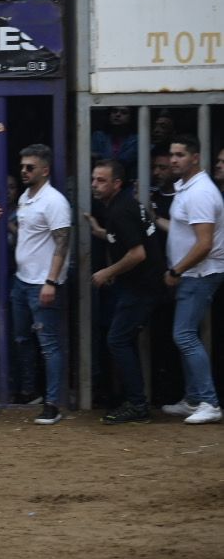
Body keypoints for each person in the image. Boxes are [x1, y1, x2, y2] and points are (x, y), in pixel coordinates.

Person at [86, 160, 165, 424]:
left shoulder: (121, 211)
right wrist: (99, 232)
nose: (94, 185)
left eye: (101, 181)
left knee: (117, 340)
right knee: (122, 339)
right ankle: (133, 399)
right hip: (141, 285)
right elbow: (122, 237)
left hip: (142, 287)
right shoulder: (125, 206)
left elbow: (137, 253)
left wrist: (108, 272)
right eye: (94, 179)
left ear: (117, 183)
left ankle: (137, 404)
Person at [161, 135, 224, 423]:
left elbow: (203, 243)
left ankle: (209, 402)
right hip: (192, 273)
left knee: (184, 335)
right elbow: (182, 229)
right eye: (172, 154)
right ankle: (194, 398)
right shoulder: (187, 188)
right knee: (187, 335)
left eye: (181, 155)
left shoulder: (199, 193)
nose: (174, 159)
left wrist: (176, 271)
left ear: (195, 157)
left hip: (199, 273)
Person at [11, 143, 73, 425]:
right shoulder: (26, 197)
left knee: (48, 345)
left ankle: (52, 403)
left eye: (30, 167)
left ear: (45, 170)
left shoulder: (54, 201)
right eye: (22, 166)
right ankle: (32, 393)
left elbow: (63, 242)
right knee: (24, 338)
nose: (24, 171)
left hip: (42, 284)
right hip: (23, 281)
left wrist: (51, 281)